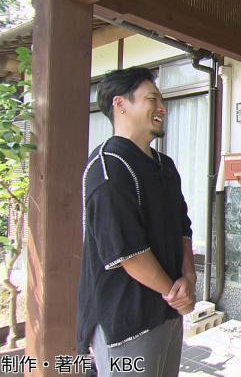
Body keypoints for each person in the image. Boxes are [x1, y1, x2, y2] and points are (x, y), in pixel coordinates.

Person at [77, 67, 197, 376]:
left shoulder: (164, 166)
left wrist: (189, 276)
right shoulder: (107, 167)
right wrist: (176, 292)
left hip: (168, 312)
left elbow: (183, 227)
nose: (162, 107)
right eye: (152, 98)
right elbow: (127, 253)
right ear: (120, 104)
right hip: (126, 322)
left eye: (162, 99)